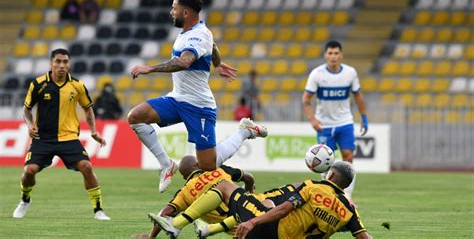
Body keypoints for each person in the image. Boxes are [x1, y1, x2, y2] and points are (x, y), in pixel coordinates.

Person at [128, 0, 267, 193]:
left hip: (199, 107)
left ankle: (244, 131)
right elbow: (213, 46)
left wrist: (150, 68)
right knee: (136, 117)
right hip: (177, 99)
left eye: (174, 8)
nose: (171, 12)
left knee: (207, 166)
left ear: (185, 13)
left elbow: (185, 62)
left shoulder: (199, 34)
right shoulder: (193, 33)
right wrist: (217, 64)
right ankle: (167, 164)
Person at [152, 161, 371, 239]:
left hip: (271, 228)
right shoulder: (349, 211)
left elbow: (284, 209)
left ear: (330, 175)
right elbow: (364, 237)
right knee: (261, 205)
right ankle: (208, 230)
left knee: (227, 188)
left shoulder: (312, 187)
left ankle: (177, 226)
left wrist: (253, 221)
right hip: (288, 232)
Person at [13, 48, 110, 220]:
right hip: (42, 139)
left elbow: (88, 110)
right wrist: (29, 124)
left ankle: (98, 209)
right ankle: (25, 200)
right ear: (51, 63)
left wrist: (94, 132)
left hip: (69, 138)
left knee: (87, 167)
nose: (62, 65)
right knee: (29, 171)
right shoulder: (38, 84)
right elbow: (26, 109)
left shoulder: (77, 85)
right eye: (58, 61)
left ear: (69, 64)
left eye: (65, 62)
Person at [302, 40, 368, 199]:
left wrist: (364, 117)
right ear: (325, 55)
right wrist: (313, 120)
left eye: (336, 53)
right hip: (324, 125)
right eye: (330, 53)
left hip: (344, 122)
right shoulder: (317, 74)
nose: (333, 57)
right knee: (325, 162)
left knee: (348, 157)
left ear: (341, 55)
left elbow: (358, 95)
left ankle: (347, 196)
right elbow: (306, 99)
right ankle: (329, 195)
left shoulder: (350, 73)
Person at [145, 155, 256, 238]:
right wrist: (249, 192)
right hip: (254, 217)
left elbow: (163, 215)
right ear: (198, 164)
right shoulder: (219, 170)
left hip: (241, 231)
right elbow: (249, 178)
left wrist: (151, 236)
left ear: (185, 177)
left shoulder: (185, 192)